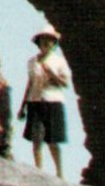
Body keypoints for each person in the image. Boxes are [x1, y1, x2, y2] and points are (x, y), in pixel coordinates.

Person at [18, 26, 70, 178]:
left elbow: (65, 83)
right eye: (43, 40)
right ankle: (39, 171)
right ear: (39, 43)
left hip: (53, 101)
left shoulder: (59, 62)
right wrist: (23, 106)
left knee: (53, 140)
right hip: (35, 102)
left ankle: (59, 173)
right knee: (36, 139)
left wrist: (51, 74)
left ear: (54, 44)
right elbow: (30, 83)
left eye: (49, 41)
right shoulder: (32, 62)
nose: (46, 43)